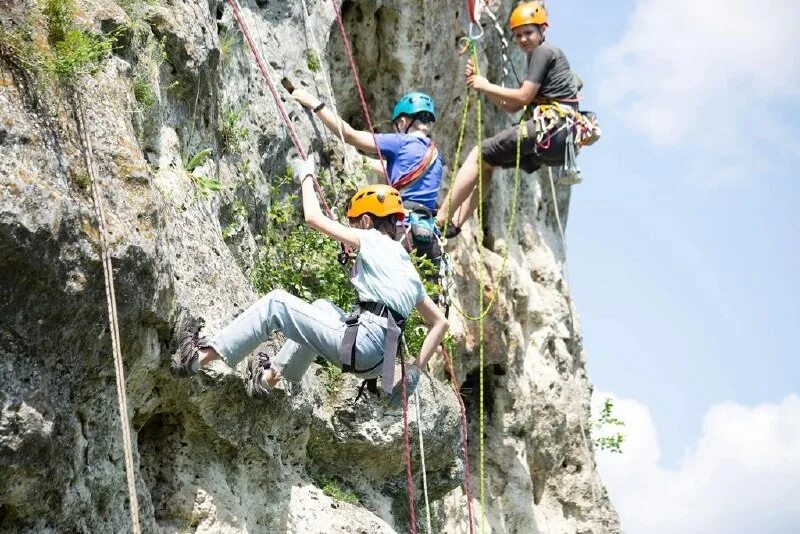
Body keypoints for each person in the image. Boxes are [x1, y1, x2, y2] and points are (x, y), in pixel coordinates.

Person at [171, 158, 449, 404]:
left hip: (363, 343)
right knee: (322, 308)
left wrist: (306, 175)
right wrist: (415, 368)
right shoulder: (407, 267)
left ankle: (199, 357)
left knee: (276, 303)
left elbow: (313, 218)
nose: (352, 229)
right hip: (381, 364)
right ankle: (268, 379)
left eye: (353, 223)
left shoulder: (370, 238)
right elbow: (440, 323)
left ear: (365, 221)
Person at [436, 2, 590, 235]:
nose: (523, 39)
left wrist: (485, 84)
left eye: (528, 33)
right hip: (558, 142)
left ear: (543, 29)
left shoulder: (543, 52)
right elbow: (512, 106)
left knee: (479, 153)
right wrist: (482, 85)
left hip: (548, 130)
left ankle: (439, 219)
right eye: (518, 36)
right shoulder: (542, 57)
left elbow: (524, 96)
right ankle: (454, 225)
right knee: (488, 163)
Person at [291, 89, 445, 283]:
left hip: (402, 230)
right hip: (429, 237)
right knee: (424, 295)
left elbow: (350, 135)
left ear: (404, 122)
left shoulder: (401, 142)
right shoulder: (437, 157)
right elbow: (396, 171)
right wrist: (360, 161)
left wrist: (314, 103)